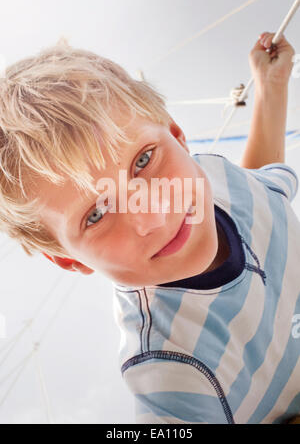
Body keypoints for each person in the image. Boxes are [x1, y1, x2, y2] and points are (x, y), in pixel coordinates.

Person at [0, 31, 299, 424]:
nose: (154, 215)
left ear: (177, 136)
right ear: (68, 260)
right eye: (96, 214)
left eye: (143, 161)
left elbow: (262, 186)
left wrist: (271, 86)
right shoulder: (170, 367)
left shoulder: (218, 178)